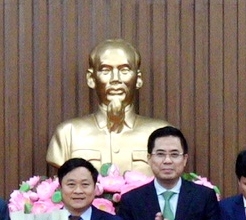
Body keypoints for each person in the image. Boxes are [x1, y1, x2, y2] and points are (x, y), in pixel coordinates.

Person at [46, 39, 171, 177]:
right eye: (106, 71)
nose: (115, 79)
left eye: (124, 70)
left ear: (138, 78)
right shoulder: (68, 133)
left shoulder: (162, 133)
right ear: (91, 78)